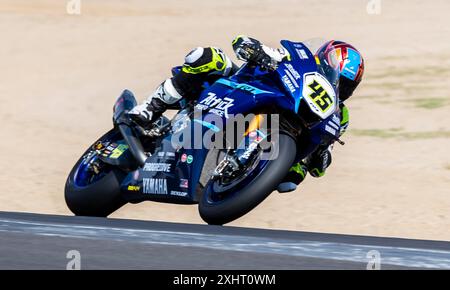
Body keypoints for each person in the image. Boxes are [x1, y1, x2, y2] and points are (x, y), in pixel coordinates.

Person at [128, 35, 365, 192]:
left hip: (283, 132)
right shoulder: (296, 59)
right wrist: (255, 49)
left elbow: (319, 167)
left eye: (345, 86)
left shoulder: (338, 115)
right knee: (207, 57)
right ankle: (150, 107)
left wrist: (323, 154)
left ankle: (250, 174)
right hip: (240, 89)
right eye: (337, 78)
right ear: (321, 62)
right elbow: (242, 42)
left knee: (293, 178)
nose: (337, 87)